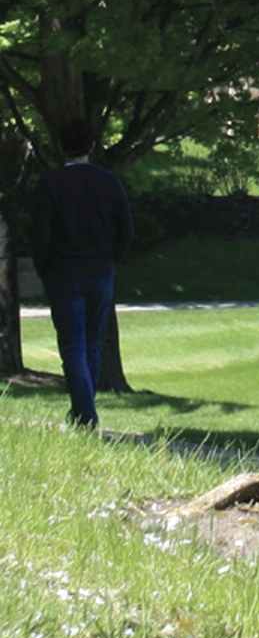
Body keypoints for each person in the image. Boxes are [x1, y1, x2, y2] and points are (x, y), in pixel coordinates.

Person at [31, 117, 134, 428]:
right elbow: (126, 230)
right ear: (92, 146)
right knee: (91, 344)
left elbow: (41, 234)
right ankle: (81, 413)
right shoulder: (109, 182)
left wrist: (45, 268)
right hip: (100, 270)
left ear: (60, 147)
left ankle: (85, 415)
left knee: (73, 346)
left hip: (64, 272)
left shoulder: (50, 183)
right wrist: (112, 259)